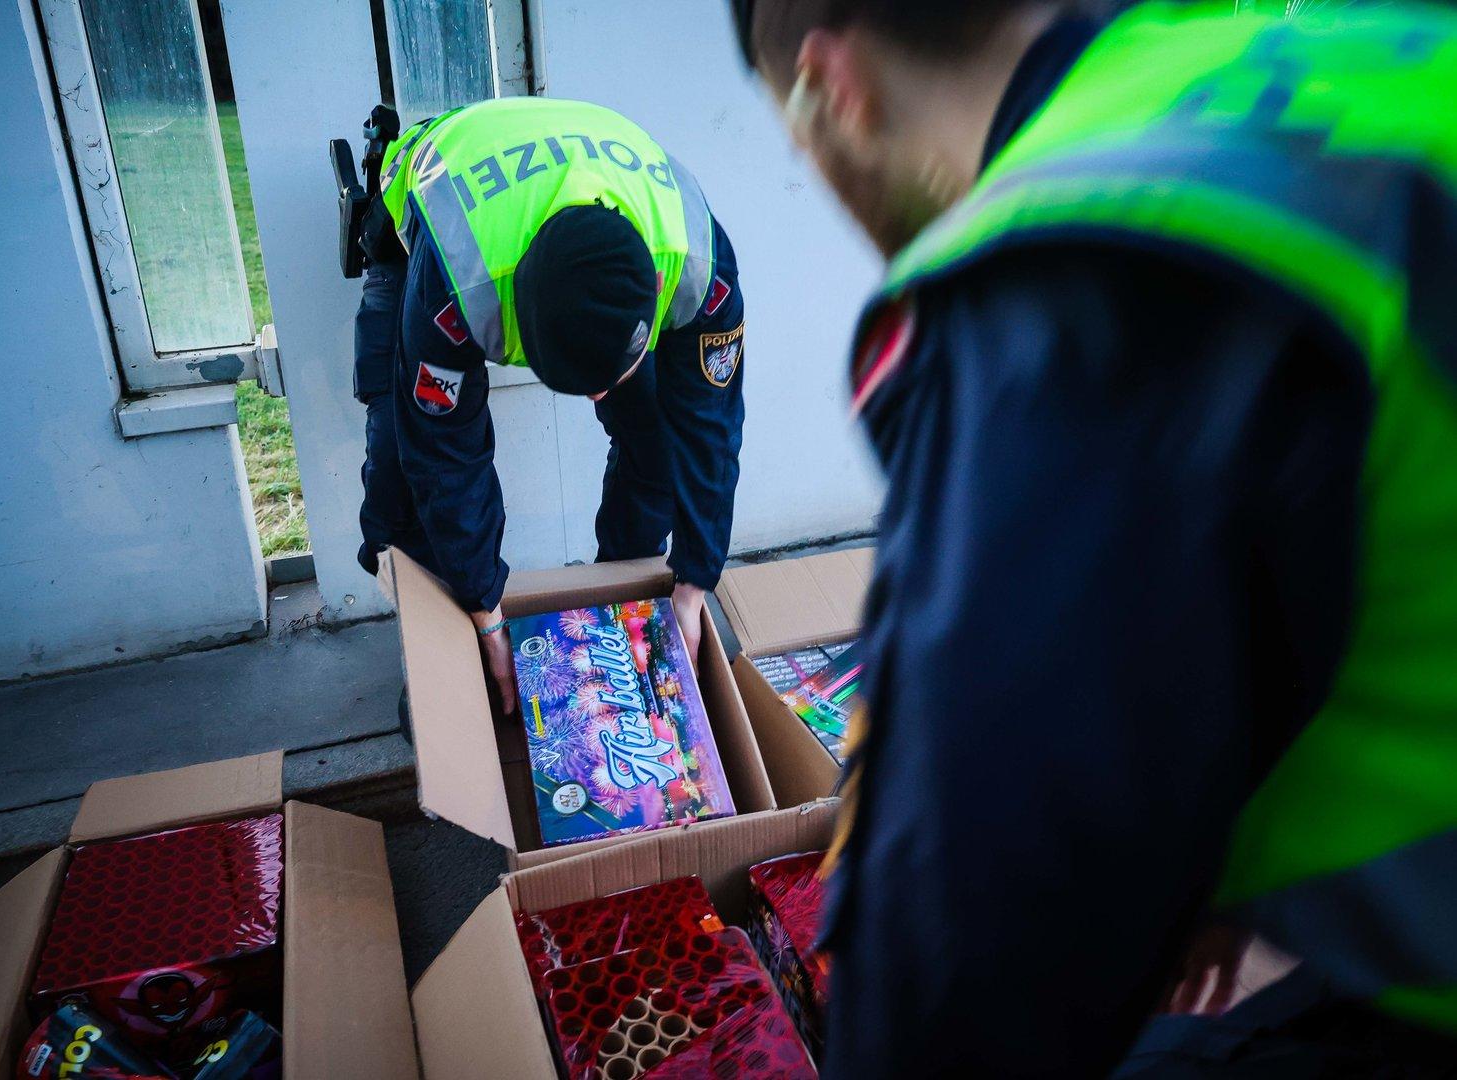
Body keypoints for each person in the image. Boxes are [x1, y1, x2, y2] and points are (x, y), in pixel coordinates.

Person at [729, 0, 1457, 1074]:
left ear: (836, 90)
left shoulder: (1084, 265)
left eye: (804, 152)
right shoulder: (1329, 53)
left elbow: (958, 970)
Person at [353, 98, 746, 711]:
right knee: (401, 473)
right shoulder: (459, 280)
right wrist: (485, 613)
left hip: (575, 177)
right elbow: (444, 457)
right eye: (570, 380)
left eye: (605, 379)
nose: (595, 398)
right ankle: (447, 652)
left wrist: (695, 581)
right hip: (431, 208)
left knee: (662, 440)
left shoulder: (699, 264)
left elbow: (711, 430)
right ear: (516, 318)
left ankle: (622, 603)